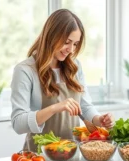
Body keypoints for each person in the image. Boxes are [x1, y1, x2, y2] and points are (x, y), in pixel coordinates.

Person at [10, 9, 115, 152]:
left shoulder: (75, 66)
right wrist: (56, 107)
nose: (71, 50)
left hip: (70, 155)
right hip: (39, 156)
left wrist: (99, 119)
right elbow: (18, 123)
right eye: (67, 42)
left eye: (75, 44)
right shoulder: (25, 70)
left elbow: (84, 106)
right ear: (51, 36)